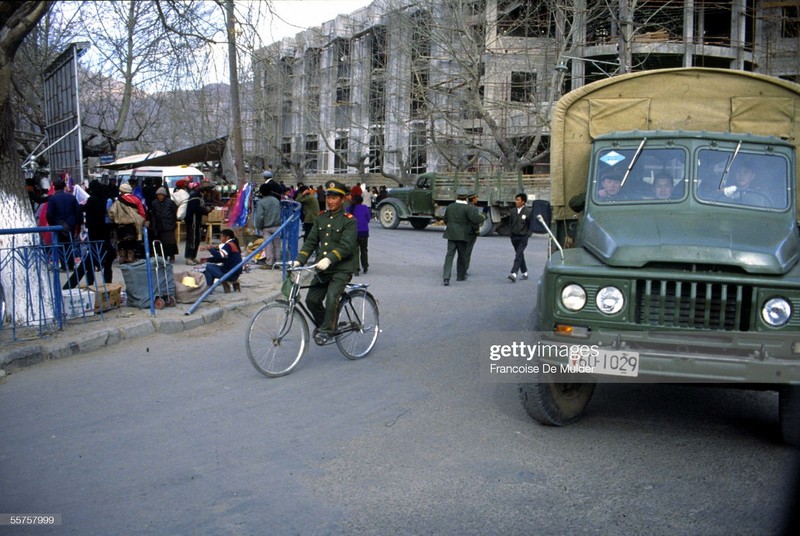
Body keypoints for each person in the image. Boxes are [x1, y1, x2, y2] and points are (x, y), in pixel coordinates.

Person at [292, 180, 357, 343]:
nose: (330, 201)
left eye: (335, 198)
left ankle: (328, 330)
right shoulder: (321, 218)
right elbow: (311, 241)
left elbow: (347, 246)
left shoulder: (349, 220)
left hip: (342, 268)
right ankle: (326, 325)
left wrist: (330, 258)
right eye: (328, 197)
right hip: (323, 268)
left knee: (331, 296)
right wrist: (299, 261)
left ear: (342, 200)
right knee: (311, 300)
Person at [442, 187, 484, 286]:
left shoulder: (450, 206)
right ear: (466, 197)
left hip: (451, 234)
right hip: (463, 235)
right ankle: (460, 276)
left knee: (449, 255)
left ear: (457, 196)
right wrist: (484, 215)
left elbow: (445, 219)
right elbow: (475, 220)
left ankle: (446, 278)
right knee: (462, 256)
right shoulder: (468, 208)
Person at [83, 180, 116, 284]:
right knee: (106, 256)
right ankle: (107, 281)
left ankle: (90, 282)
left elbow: (85, 209)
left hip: (93, 230)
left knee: (92, 256)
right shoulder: (104, 199)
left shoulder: (91, 199)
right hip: (103, 229)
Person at [108, 182, 146, 264]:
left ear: (122, 191)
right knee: (132, 242)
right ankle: (130, 257)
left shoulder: (118, 201)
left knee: (121, 242)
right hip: (132, 225)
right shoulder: (136, 200)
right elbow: (142, 213)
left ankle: (122, 257)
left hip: (121, 226)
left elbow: (111, 212)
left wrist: (114, 220)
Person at [201, 228, 242, 293]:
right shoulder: (233, 244)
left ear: (227, 237)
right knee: (208, 270)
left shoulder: (228, 245)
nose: (221, 238)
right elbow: (222, 259)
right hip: (235, 274)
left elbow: (219, 256)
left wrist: (210, 249)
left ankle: (208, 289)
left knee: (208, 267)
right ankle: (208, 289)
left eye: (222, 236)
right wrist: (208, 259)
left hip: (230, 274)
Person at [253, 182, 283, 267]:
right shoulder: (276, 200)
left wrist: (259, 226)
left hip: (266, 227)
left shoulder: (261, 202)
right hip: (277, 226)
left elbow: (260, 216)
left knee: (268, 246)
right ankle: (277, 262)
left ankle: (269, 263)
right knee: (277, 245)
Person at [149, 187, 179, 262]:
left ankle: (171, 255)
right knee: (161, 242)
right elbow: (153, 214)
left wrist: (173, 222)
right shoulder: (154, 203)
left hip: (169, 224)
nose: (160, 196)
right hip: (159, 225)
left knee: (170, 241)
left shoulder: (170, 202)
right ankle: (163, 256)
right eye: (158, 195)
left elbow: (174, 212)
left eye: (161, 195)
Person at [507, 193, 532, 282]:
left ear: (523, 202)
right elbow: (510, 223)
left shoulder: (528, 212)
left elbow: (531, 225)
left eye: (518, 200)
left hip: (523, 237)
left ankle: (514, 273)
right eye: (516, 199)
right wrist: (510, 234)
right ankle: (525, 272)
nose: (516, 202)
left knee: (518, 255)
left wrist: (528, 234)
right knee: (520, 254)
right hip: (514, 237)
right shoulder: (513, 211)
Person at [183, 182, 210, 265]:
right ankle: (188, 257)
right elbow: (196, 209)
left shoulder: (200, 197)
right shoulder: (195, 197)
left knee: (197, 239)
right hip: (192, 222)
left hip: (197, 221)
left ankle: (193, 257)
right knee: (192, 239)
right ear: (205, 191)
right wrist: (206, 211)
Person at [346, 194, 371, 275]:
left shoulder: (349, 208)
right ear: (361, 201)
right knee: (364, 250)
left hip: (353, 232)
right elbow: (368, 218)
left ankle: (356, 269)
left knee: (355, 251)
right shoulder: (365, 208)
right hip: (364, 232)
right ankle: (365, 266)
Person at [463, 191, 483, 275]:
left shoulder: (464, 207)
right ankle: (464, 270)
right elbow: (475, 222)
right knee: (467, 253)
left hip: (463, 232)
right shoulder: (474, 208)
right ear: (473, 198)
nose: (477, 199)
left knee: (462, 252)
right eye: (476, 197)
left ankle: (460, 268)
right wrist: (477, 232)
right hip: (470, 234)